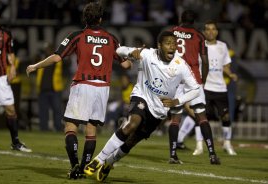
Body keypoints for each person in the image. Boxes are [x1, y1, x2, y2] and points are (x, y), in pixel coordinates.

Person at [26, 2, 131, 179]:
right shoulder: (112, 39)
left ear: (85, 18)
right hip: (102, 89)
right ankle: (84, 168)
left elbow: (57, 57)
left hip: (83, 85)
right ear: (100, 18)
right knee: (91, 130)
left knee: (70, 127)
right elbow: (126, 64)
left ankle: (74, 166)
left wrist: (36, 66)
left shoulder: (77, 36)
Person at [84, 30, 201, 182]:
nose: (172, 47)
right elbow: (119, 50)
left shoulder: (181, 65)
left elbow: (196, 89)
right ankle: (99, 160)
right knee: (132, 124)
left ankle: (109, 163)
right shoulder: (147, 54)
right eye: (168, 43)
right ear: (159, 46)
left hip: (159, 110)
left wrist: (176, 101)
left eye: (174, 44)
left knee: (131, 142)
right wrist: (132, 53)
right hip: (142, 96)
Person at [168, 10, 220, 164]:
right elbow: (205, 60)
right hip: (193, 79)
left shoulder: (172, 32)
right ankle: (212, 154)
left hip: (176, 79)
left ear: (180, 19)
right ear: (194, 21)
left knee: (175, 118)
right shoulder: (199, 36)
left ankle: (172, 155)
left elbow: (164, 54)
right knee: (202, 116)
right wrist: (202, 80)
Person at [0, 3, 31, 153]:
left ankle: (15, 142)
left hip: (1, 78)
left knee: (11, 110)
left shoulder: (5, 33)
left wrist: (12, 67)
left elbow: (10, 53)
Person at [191, 20, 238, 156]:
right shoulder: (199, 46)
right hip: (204, 88)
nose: (211, 31)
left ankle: (227, 144)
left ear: (217, 31)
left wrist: (231, 74)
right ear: (204, 32)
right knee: (200, 116)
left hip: (220, 88)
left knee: (226, 116)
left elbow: (225, 66)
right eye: (208, 29)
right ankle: (199, 146)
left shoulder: (223, 46)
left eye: (213, 29)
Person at [36, 42, 64, 132]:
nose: (47, 50)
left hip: (55, 89)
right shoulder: (42, 59)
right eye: (46, 49)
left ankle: (58, 127)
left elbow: (68, 63)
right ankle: (43, 128)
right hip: (43, 89)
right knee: (43, 110)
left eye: (48, 49)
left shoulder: (58, 59)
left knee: (57, 110)